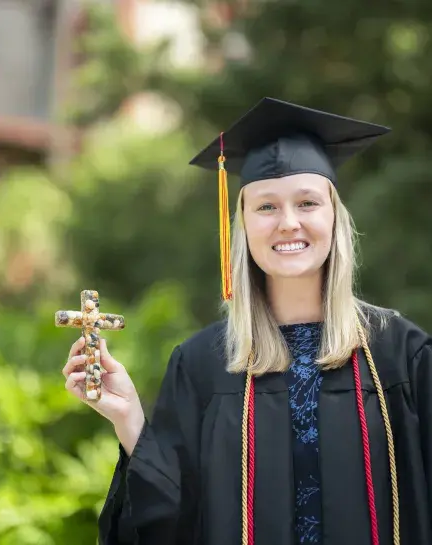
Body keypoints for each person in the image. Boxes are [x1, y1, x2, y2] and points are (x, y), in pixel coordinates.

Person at [62, 98, 432, 545]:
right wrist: (130, 422)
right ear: (241, 224)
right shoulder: (202, 365)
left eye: (308, 202)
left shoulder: (402, 356)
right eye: (266, 207)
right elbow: (168, 523)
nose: (289, 223)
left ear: (335, 218)